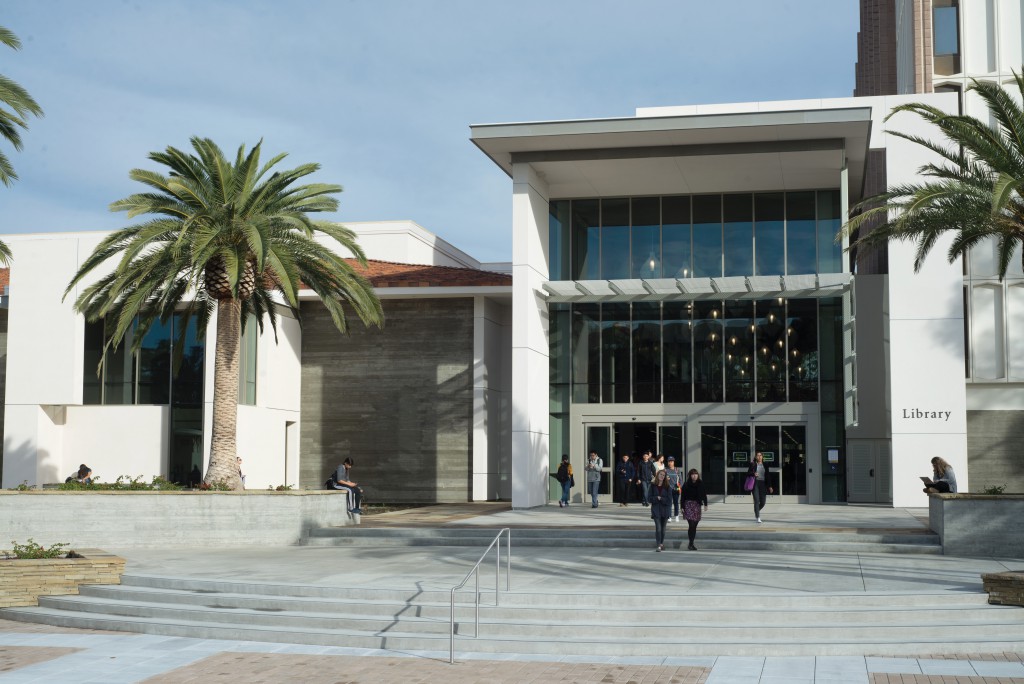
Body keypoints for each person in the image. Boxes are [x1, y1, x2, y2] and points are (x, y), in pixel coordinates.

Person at [680, 468, 709, 550]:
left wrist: (706, 504)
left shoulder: (701, 483)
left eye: (696, 474)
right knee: (691, 524)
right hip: (688, 505)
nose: (694, 476)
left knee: (694, 525)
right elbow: (683, 497)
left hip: (697, 505)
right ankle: (691, 543)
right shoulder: (686, 484)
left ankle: (691, 543)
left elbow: (704, 494)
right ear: (690, 475)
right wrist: (682, 507)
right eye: (692, 474)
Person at [647, 469, 672, 551]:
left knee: (663, 528)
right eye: (660, 474)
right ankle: (658, 545)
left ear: (665, 477)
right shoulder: (653, 485)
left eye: (663, 475)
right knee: (658, 528)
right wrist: (656, 498)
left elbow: (669, 500)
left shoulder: (668, 487)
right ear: (657, 475)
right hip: (656, 509)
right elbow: (649, 498)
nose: (662, 476)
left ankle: (661, 543)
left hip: (665, 510)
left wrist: (661, 499)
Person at [746, 451, 773, 523]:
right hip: (755, 484)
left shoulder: (765, 465)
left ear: (762, 456)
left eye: (760, 455)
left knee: (763, 502)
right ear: (755, 457)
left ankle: (756, 510)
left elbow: (768, 476)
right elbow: (748, 473)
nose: (759, 457)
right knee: (756, 501)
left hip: (763, 484)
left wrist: (770, 486)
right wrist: (753, 473)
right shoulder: (753, 464)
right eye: (758, 455)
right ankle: (758, 517)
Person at [664, 456, 683, 522]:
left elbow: (680, 480)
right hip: (668, 488)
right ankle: (669, 516)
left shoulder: (677, 470)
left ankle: (676, 516)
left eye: (671, 461)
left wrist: (680, 487)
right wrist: (665, 479)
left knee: (676, 503)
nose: (670, 463)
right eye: (669, 461)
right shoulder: (665, 470)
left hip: (676, 488)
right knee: (669, 503)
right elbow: (662, 479)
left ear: (674, 462)